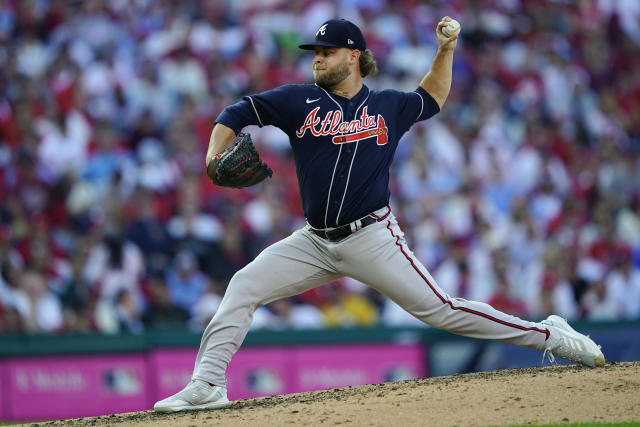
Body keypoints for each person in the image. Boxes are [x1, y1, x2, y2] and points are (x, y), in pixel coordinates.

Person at [153, 17, 605, 413]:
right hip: (314, 241)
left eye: (326, 52)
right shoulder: (298, 101)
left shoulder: (387, 105)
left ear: (353, 57)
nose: (316, 59)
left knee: (442, 310)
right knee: (243, 286)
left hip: (372, 238)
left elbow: (432, 96)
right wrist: (214, 155)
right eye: (315, 52)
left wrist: (445, 50)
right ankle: (208, 384)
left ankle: (548, 335)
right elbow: (238, 111)